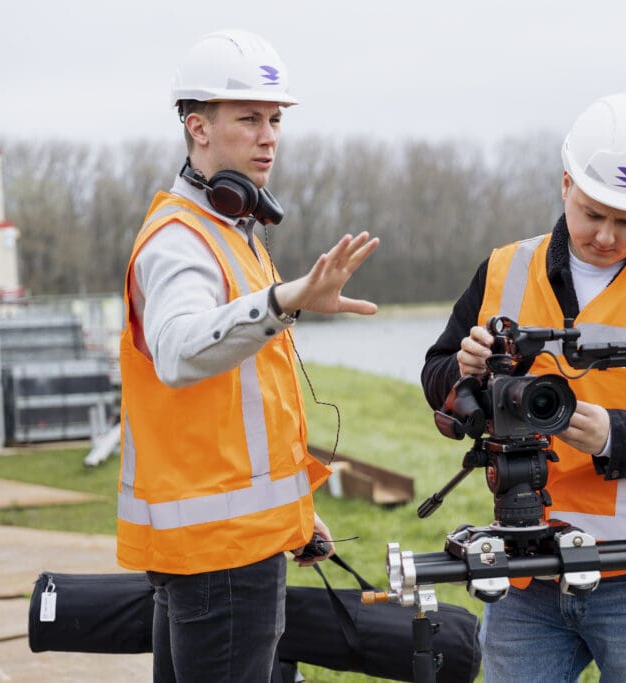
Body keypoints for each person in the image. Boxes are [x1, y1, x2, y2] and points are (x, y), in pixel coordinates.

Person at [421, 92, 626, 682]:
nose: (605, 235)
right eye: (593, 213)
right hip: (526, 571)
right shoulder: (503, 268)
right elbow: (437, 376)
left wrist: (614, 436)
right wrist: (464, 372)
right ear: (565, 184)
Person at [115, 30, 379, 682]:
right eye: (249, 119)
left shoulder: (234, 233)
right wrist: (286, 300)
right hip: (221, 556)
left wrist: (295, 514)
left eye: (275, 120)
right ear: (198, 127)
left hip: (228, 543)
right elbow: (179, 351)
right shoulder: (181, 240)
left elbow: (245, 410)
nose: (269, 138)